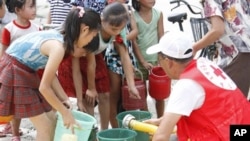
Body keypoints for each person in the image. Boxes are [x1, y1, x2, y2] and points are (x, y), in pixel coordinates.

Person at [0, 7, 101, 141]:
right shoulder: (58, 47)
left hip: (26, 71)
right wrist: (65, 113)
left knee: (52, 120)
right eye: (92, 36)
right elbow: (44, 87)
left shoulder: (61, 40)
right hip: (15, 71)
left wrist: (64, 98)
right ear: (85, 30)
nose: (90, 41)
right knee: (46, 127)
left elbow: (51, 76)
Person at [144, 31, 250, 141]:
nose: (159, 65)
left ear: (169, 62)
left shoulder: (186, 85)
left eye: (159, 60)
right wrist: (162, 121)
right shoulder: (204, 64)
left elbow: (161, 136)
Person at [193, 0, 250, 98]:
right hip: (244, 46)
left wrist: (194, 48)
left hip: (238, 51)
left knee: (231, 101)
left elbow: (217, 30)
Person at [0, 0, 40, 140]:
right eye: (30, 6)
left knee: (25, 104)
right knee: (14, 105)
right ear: (17, 10)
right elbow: (4, 52)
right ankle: (15, 134)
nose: (34, 9)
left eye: (35, 6)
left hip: (31, 72)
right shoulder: (10, 29)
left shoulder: (37, 29)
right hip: (14, 73)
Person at [105, 0, 139, 128]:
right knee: (114, 96)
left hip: (127, 52)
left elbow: (135, 31)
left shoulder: (129, 11)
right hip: (113, 57)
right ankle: (115, 129)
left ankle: (125, 126)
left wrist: (123, 38)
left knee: (126, 96)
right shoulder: (110, 12)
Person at [131, 0, 165, 117]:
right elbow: (134, 42)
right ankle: (147, 122)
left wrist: (161, 60)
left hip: (156, 61)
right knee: (142, 95)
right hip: (139, 62)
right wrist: (142, 61)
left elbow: (161, 37)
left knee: (159, 95)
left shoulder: (158, 14)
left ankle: (160, 121)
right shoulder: (133, 16)